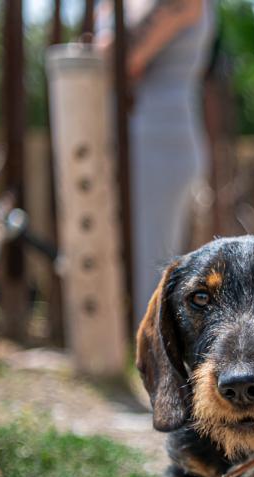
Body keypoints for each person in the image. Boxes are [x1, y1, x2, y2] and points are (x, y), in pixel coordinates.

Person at [97, 0, 217, 325]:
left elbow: (113, 60)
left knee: (148, 276)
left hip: (158, 148)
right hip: (127, 147)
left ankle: (150, 370)